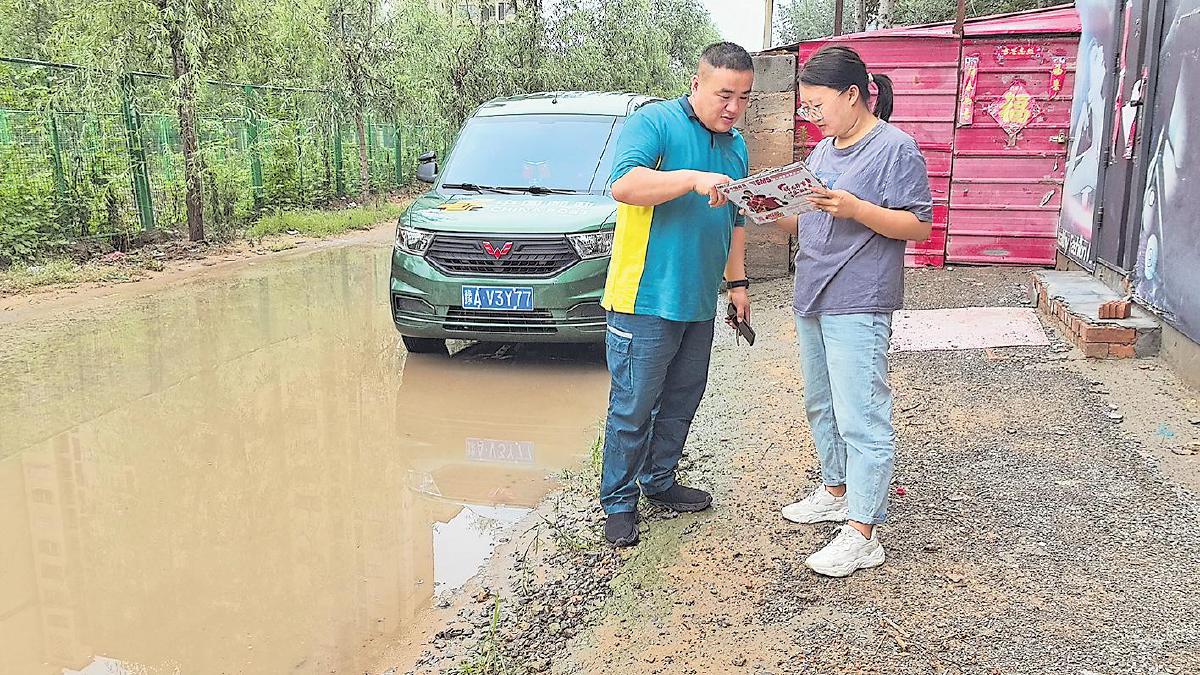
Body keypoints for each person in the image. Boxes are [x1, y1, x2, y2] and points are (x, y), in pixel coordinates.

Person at [769, 45, 933, 576]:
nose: (811, 116)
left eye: (818, 105)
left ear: (853, 95)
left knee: (862, 415)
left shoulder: (895, 148)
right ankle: (836, 491)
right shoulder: (822, 152)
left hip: (859, 297)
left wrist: (858, 209)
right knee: (821, 404)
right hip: (812, 292)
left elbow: (920, 225)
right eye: (806, 107)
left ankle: (864, 532)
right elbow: (801, 221)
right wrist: (761, 205)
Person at [599, 42, 754, 547]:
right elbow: (624, 185)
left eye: (744, 97)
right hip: (642, 299)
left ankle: (659, 480)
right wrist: (690, 179)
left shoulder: (737, 146)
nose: (733, 107)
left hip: (698, 300)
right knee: (633, 406)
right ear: (696, 84)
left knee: (683, 398)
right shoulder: (655, 123)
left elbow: (735, 221)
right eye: (724, 95)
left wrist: (738, 285)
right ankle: (618, 502)